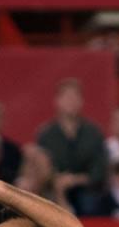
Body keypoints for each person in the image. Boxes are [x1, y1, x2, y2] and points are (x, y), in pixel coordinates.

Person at [35, 78, 108, 216]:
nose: (71, 101)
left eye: (75, 97)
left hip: (86, 191)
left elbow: (99, 171)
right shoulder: (46, 134)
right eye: (67, 97)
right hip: (53, 188)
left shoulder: (94, 133)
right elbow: (40, 168)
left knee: (91, 202)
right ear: (57, 101)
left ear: (82, 102)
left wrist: (75, 179)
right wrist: (57, 180)